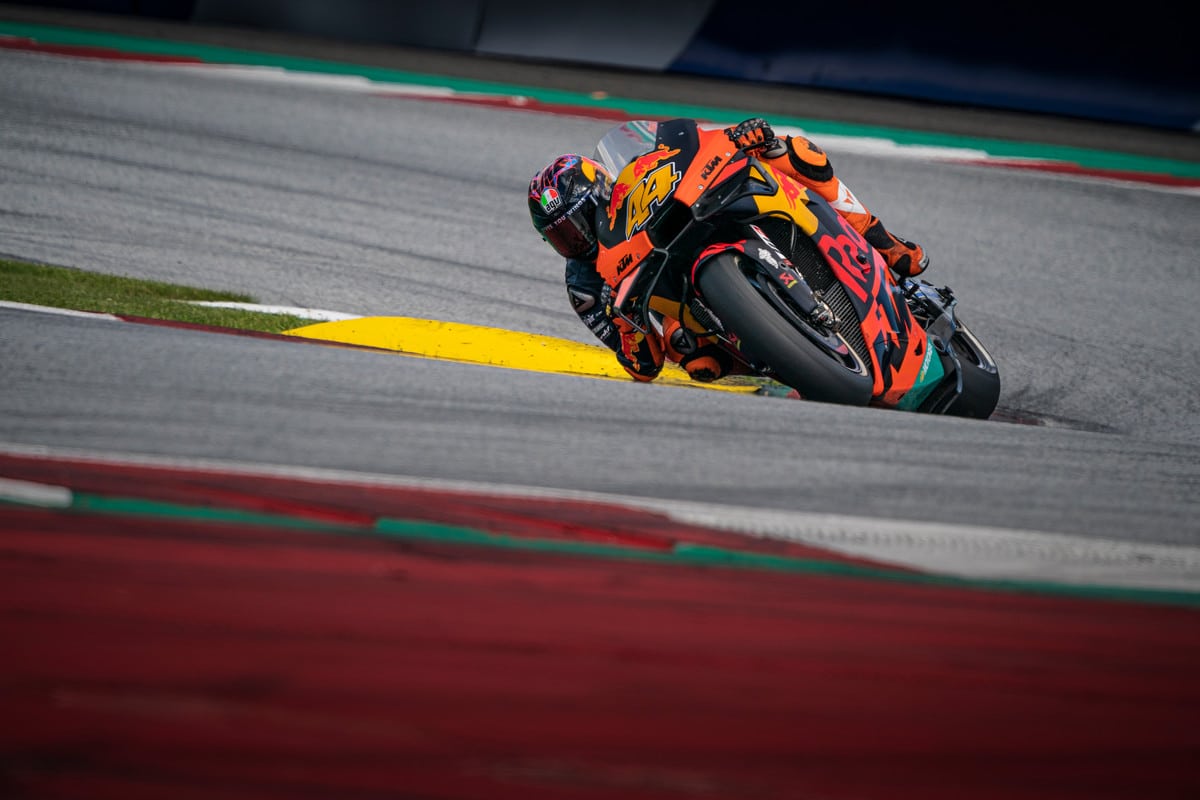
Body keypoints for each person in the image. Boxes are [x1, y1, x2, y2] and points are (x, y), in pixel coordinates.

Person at [527, 118, 929, 384]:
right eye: (562, 237)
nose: (577, 241)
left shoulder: (634, 180)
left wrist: (741, 135)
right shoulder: (583, 287)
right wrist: (627, 324)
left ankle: (884, 242)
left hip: (695, 216)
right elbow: (642, 366)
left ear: (602, 192)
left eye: (578, 225)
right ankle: (784, 360)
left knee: (794, 152)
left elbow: (691, 147)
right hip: (674, 295)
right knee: (692, 356)